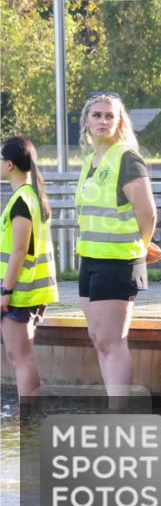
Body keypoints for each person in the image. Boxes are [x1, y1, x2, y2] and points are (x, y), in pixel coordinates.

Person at [75, 91, 157, 397]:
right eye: (97, 115)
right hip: (91, 261)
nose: (103, 120)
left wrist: (142, 247)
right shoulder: (89, 162)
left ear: (119, 121)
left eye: (110, 115)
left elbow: (147, 212)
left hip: (118, 261)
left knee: (112, 340)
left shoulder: (126, 158)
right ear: (86, 120)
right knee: (98, 338)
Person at [1, 137, 58, 397]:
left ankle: (29, 422)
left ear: (10, 164)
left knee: (21, 358)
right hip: (28, 291)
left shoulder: (23, 200)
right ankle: (29, 420)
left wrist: (6, 290)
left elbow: (20, 250)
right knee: (20, 357)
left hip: (20, 293)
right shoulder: (31, 195)